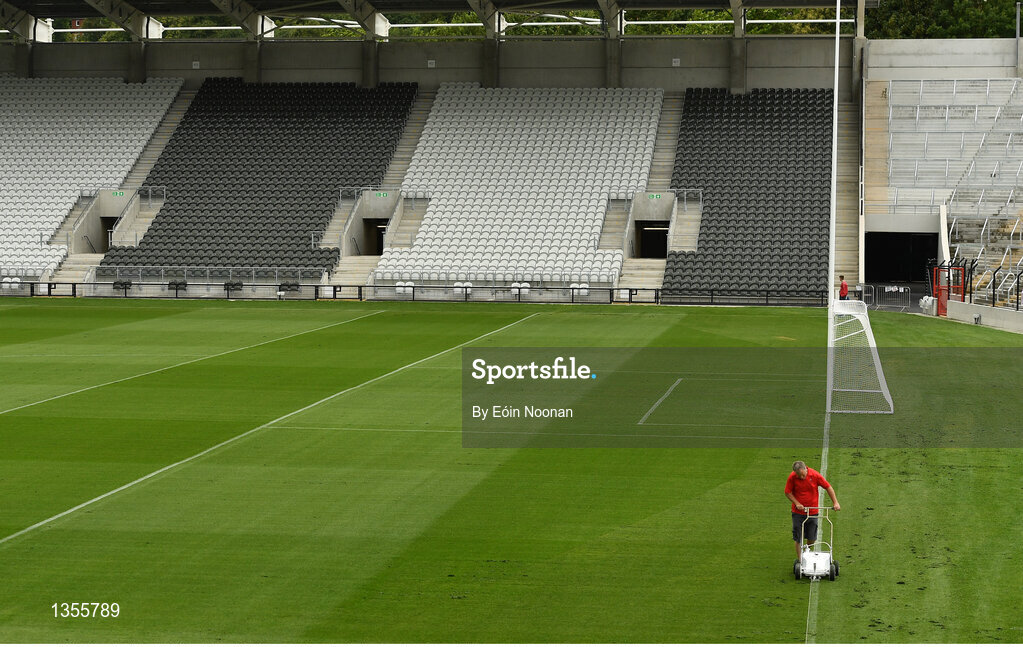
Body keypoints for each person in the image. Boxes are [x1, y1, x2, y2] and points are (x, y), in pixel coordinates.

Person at [785, 460, 840, 560]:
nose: (801, 477)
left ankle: (807, 550)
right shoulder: (792, 477)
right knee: (798, 537)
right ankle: (800, 560)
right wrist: (797, 503)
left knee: (812, 537)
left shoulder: (814, 475)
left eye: (802, 475)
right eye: (799, 475)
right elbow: (787, 492)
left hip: (813, 511)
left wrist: (835, 502)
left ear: (805, 468)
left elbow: (828, 487)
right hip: (798, 513)